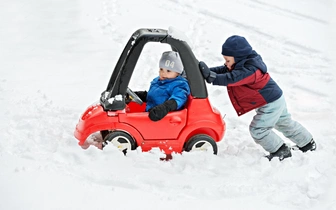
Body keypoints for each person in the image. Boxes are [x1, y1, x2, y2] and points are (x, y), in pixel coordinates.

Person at [199, 35, 316, 161]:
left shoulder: (251, 70)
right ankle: (307, 143)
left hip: (271, 103)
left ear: (238, 58)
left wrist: (212, 77)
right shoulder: (242, 63)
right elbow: (225, 70)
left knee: (258, 129)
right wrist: (208, 72)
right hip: (275, 99)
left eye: (227, 60)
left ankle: (280, 150)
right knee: (284, 123)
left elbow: (232, 77)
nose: (226, 64)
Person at [133, 51, 190, 121]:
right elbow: (154, 96)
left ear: (178, 73)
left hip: (164, 119)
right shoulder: (158, 81)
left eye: (168, 71)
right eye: (161, 69)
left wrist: (164, 108)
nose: (163, 73)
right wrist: (137, 95)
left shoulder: (179, 85)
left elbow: (178, 99)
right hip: (150, 115)